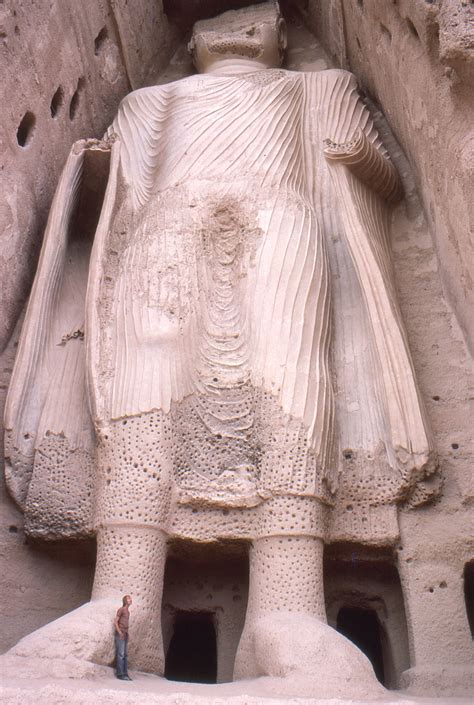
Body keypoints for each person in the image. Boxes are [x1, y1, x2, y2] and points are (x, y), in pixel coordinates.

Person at [114, 595, 132, 680]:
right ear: (125, 600)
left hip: (125, 633)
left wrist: (127, 633)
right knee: (121, 654)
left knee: (125, 655)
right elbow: (115, 622)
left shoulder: (128, 612)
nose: (130, 600)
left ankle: (125, 674)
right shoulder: (121, 610)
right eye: (128, 598)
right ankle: (120, 674)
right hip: (120, 633)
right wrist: (119, 632)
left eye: (130, 598)